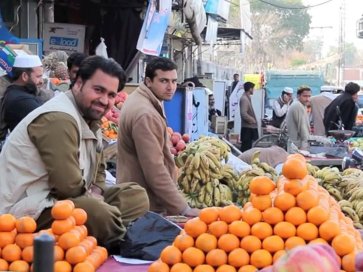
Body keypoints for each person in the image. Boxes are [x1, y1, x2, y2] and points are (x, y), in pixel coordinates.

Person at [0, 56, 149, 248]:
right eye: (98, 90)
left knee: (135, 195)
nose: (104, 100)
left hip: (61, 200)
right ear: (78, 84)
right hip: (25, 210)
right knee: (97, 213)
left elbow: (100, 167)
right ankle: (122, 242)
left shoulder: (89, 116)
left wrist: (98, 191)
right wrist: (95, 202)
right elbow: (67, 187)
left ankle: (100, 233)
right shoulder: (59, 118)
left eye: (111, 95)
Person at [117, 57, 199, 217]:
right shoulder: (145, 114)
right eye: (163, 81)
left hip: (137, 198)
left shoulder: (141, 99)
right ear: (148, 81)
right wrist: (183, 209)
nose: (171, 87)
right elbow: (154, 169)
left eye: (174, 81)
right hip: (143, 205)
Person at [0, 55, 44, 142]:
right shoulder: (20, 100)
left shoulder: (15, 93)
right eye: (38, 77)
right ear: (24, 76)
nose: (41, 81)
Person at [285, 85, 312, 152]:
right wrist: (304, 146)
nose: (307, 99)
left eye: (309, 96)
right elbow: (303, 129)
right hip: (297, 146)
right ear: (298, 96)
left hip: (295, 144)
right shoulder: (297, 106)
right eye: (305, 96)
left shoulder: (302, 105)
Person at [240, 82, 258, 152]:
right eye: (253, 88)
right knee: (246, 148)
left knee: (249, 147)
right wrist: (252, 120)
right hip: (247, 128)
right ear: (250, 89)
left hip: (250, 127)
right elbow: (243, 113)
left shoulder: (247, 98)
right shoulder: (244, 99)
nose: (254, 90)